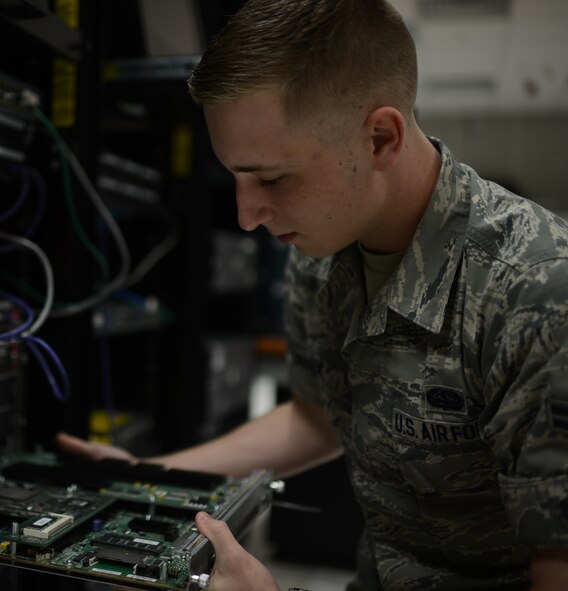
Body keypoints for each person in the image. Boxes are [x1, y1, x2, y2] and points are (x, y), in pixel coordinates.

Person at [59, 0, 568, 589]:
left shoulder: (538, 295)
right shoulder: (323, 252)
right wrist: (151, 471)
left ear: (380, 138)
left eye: (272, 178)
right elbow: (320, 413)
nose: (248, 217)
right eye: (236, 179)